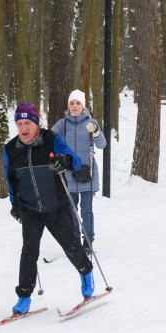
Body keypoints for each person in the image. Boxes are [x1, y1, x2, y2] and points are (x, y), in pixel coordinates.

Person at [3, 102, 94, 314]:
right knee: (29, 251)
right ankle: (24, 297)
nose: (23, 128)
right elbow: (10, 179)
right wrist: (14, 204)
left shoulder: (51, 140)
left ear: (37, 123)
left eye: (28, 123)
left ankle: (86, 274)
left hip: (56, 205)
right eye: (19, 123)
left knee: (70, 244)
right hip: (29, 208)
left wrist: (64, 160)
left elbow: (76, 161)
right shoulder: (10, 149)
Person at [50, 90, 107, 254]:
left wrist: (96, 132)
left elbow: (102, 144)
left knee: (87, 210)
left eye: (78, 103)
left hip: (86, 174)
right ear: (68, 106)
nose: (75, 106)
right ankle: (74, 240)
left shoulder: (91, 122)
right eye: (72, 103)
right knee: (71, 210)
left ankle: (88, 241)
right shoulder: (63, 124)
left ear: (83, 106)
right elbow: (50, 138)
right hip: (68, 174)